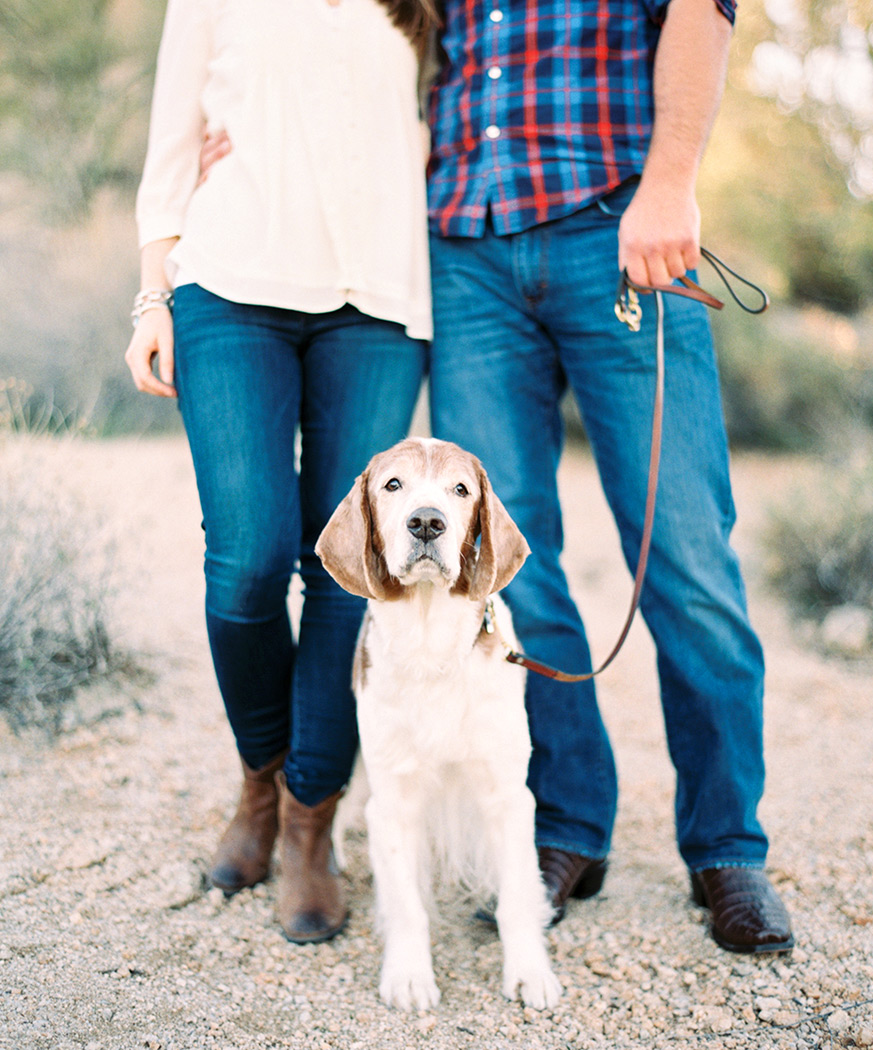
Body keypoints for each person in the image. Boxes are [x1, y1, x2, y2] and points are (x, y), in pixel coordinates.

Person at [424, 0, 795, 953]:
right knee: (506, 565)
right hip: (467, 251)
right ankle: (566, 827)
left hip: (620, 230)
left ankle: (726, 846)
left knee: (684, 556)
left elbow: (701, 11)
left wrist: (671, 183)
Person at [124, 0, 437, 944]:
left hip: (378, 307)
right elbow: (172, 140)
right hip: (229, 289)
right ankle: (260, 777)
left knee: (349, 578)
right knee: (249, 560)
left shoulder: (421, 8)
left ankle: (310, 821)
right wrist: (152, 296)